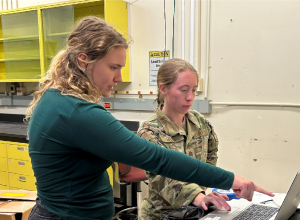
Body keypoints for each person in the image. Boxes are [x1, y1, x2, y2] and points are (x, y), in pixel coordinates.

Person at [25, 16, 273, 220]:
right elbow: (156, 159)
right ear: (83, 60)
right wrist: (231, 179)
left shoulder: (56, 99)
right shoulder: (76, 112)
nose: (119, 77)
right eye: (114, 67)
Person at [137, 58, 238, 219]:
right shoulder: (150, 132)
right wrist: (198, 197)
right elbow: (162, 179)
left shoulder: (199, 122)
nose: (190, 97)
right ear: (163, 88)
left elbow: (211, 152)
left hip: (195, 211)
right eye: (184, 90)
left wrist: (203, 191)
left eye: (194, 90)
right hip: (161, 215)